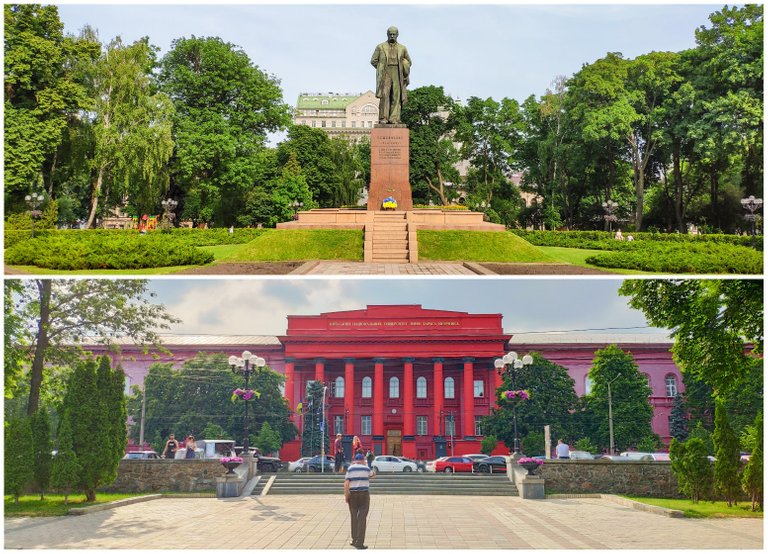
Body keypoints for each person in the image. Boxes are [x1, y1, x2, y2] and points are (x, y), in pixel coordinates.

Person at [370, 26, 412, 124]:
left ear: (397, 35)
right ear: (387, 34)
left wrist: (405, 66)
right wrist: (381, 67)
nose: (392, 36)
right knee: (385, 95)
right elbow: (373, 60)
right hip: (386, 72)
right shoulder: (380, 47)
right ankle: (383, 118)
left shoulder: (402, 48)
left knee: (396, 96)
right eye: (390, 34)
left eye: (394, 34)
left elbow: (409, 61)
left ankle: (394, 118)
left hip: (398, 72)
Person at [344, 453, 374, 550]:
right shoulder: (366, 468)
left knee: (354, 517)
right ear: (363, 460)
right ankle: (360, 542)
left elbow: (346, 483)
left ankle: (354, 540)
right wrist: (366, 466)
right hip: (364, 495)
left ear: (355, 460)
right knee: (362, 518)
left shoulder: (350, 468)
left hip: (353, 495)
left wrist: (346, 495)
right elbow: (373, 475)